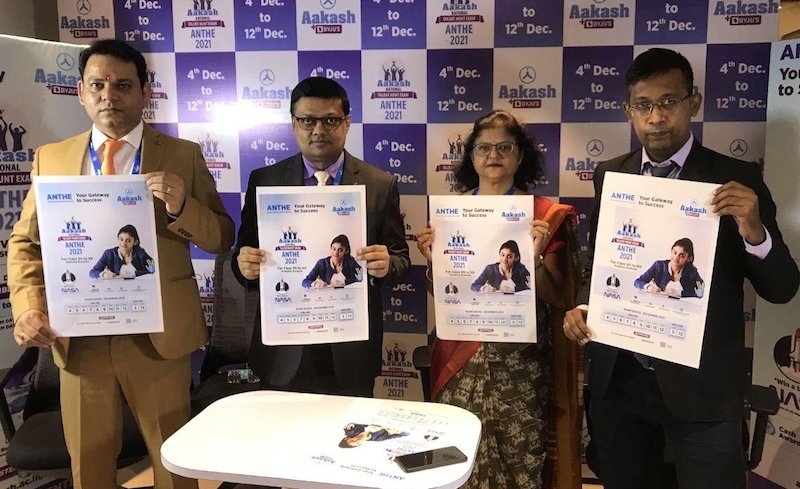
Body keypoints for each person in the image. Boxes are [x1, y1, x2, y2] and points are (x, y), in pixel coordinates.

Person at [562, 48, 800, 489]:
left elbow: (783, 288)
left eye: (669, 102)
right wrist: (584, 304)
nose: (656, 117)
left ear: (694, 102)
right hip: (621, 382)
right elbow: (606, 262)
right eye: (643, 105)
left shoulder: (736, 178)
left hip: (702, 391)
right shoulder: (610, 174)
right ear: (628, 111)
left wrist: (754, 230)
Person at [8, 39, 235, 489]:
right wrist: (28, 306)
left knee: (174, 463)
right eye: (97, 85)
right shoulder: (50, 157)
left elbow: (222, 238)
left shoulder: (183, 155)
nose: (108, 95)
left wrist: (182, 208)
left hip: (157, 339)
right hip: (80, 340)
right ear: (80, 92)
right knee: (88, 465)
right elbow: (25, 243)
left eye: (123, 85)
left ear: (145, 92)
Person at [416, 110, 583, 489]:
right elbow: (445, 295)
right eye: (484, 147)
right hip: (459, 356)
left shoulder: (543, 216)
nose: (493, 155)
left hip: (519, 362)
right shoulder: (450, 216)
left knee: (519, 457)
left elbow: (556, 296)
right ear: (471, 156)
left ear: (520, 156)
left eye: (505, 147)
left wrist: (535, 258)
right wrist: (434, 263)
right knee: (456, 457)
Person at [232, 77, 410, 406]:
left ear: (347, 123)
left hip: (350, 349)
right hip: (284, 349)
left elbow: (400, 258)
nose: (318, 130)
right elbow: (241, 257)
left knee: (349, 433)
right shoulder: (265, 180)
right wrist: (244, 265)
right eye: (307, 120)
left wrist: (387, 266)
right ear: (293, 124)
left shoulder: (379, 184)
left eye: (330, 120)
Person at [634, 238, 704, 298]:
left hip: (680, 307)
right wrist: (648, 286)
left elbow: (701, 293)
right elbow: (637, 282)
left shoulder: (691, 272)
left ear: (688, 259)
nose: (676, 257)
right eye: (675, 252)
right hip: (657, 303)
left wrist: (678, 293)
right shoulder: (659, 266)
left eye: (682, 256)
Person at [90, 224, 155, 279]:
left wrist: (134, 274)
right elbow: (92, 272)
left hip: (138, 288)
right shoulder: (109, 254)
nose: (123, 244)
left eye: (128, 241)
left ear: (135, 242)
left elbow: (154, 270)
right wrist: (103, 274)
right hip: (115, 288)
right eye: (121, 239)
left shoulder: (141, 253)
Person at [339, 422, 409, 448]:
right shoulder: (379, 438)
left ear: (347, 438)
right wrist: (398, 431)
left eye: (353, 440)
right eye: (358, 443)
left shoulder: (350, 430)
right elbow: (400, 435)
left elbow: (357, 419)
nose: (358, 440)